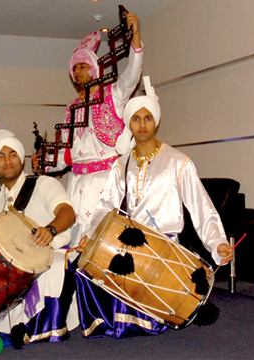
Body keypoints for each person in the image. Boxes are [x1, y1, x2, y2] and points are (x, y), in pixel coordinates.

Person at [76, 77, 234, 339]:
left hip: (165, 248)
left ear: (157, 121)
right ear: (129, 123)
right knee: (82, 268)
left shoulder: (178, 161)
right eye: (136, 119)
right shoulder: (121, 164)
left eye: (147, 118)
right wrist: (92, 234)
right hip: (129, 245)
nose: (142, 125)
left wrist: (217, 242)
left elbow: (202, 208)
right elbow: (106, 205)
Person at [32, 12, 143, 248]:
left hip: (106, 181)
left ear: (94, 69)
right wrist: (45, 163)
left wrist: (135, 35)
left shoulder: (112, 95)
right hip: (77, 183)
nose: (79, 71)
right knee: (73, 244)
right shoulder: (71, 109)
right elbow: (67, 154)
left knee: (101, 244)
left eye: (84, 66)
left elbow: (132, 75)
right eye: (76, 67)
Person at [0, 135, 79, 344]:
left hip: (53, 256)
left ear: (21, 160)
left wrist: (50, 229)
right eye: (0, 157)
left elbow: (67, 212)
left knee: (52, 268)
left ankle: (40, 328)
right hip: (15, 268)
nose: (8, 162)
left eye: (13, 155)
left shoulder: (43, 183)